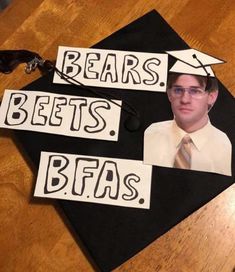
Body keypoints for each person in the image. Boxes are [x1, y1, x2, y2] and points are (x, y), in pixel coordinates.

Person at [143, 49, 232, 176]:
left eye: (195, 91)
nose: (184, 99)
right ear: (169, 94)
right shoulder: (151, 134)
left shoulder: (223, 146)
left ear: (211, 96)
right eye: (178, 90)